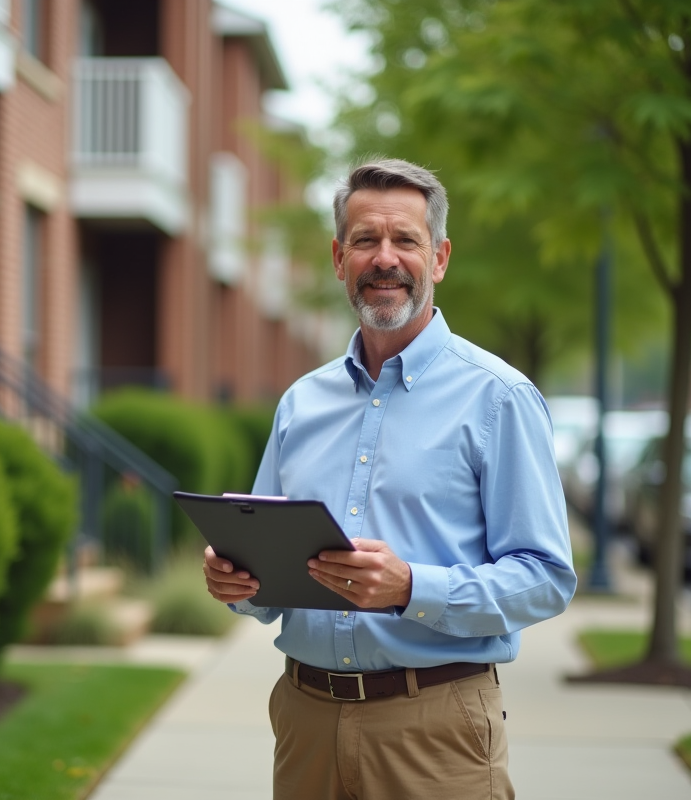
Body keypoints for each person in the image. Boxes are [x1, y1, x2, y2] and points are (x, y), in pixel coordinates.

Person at [203, 158, 577, 799]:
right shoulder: (301, 403)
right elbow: (264, 572)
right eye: (365, 240)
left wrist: (412, 587)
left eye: (405, 240)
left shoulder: (499, 398)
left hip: (434, 730)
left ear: (439, 258)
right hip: (305, 723)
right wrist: (236, 581)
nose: (385, 258)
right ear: (337, 257)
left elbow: (545, 579)